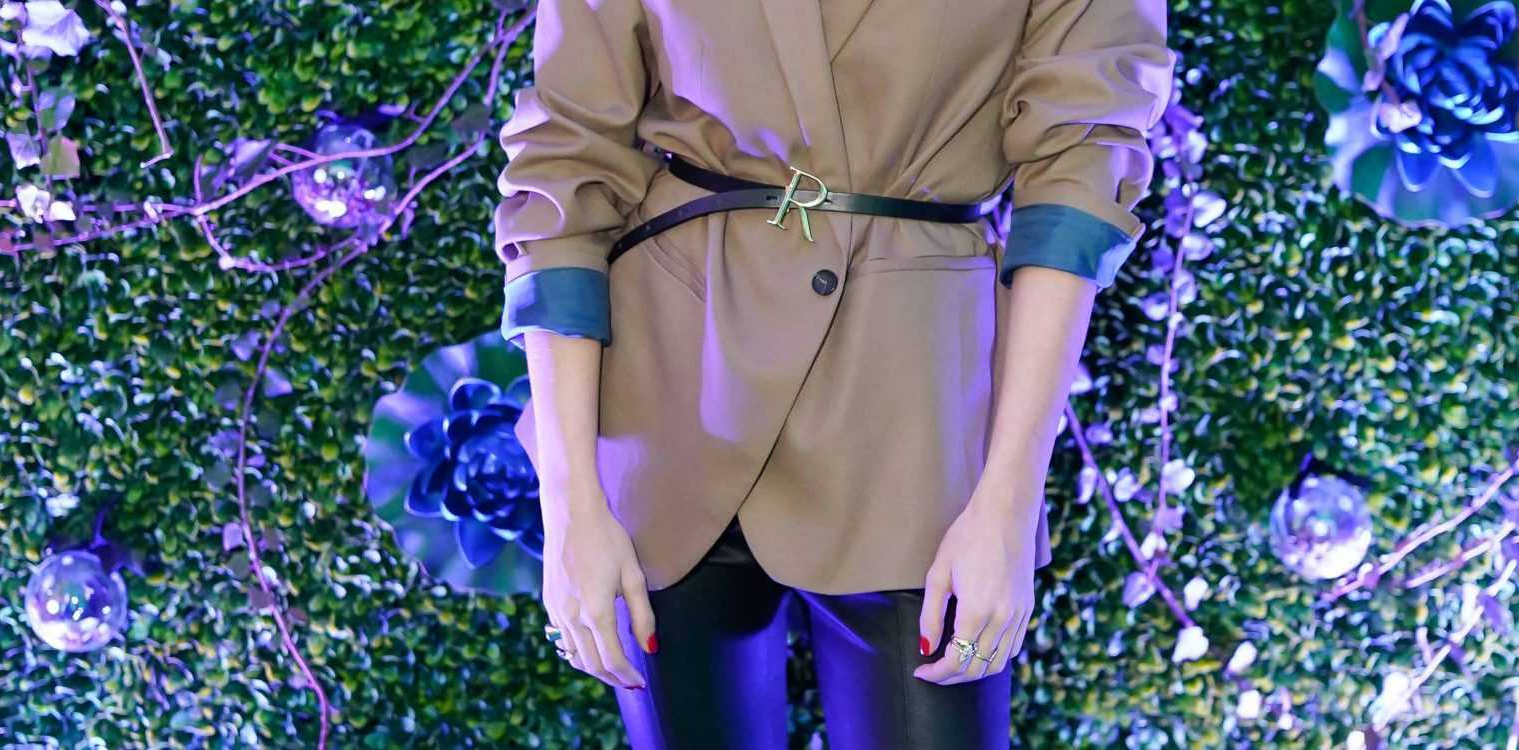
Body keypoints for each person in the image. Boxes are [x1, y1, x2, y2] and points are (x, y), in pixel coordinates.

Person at [491, 0, 1177, 746]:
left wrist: (1008, 504)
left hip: (915, 423)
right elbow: (564, 166)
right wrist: (571, 505)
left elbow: (1079, 175)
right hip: (670, 405)